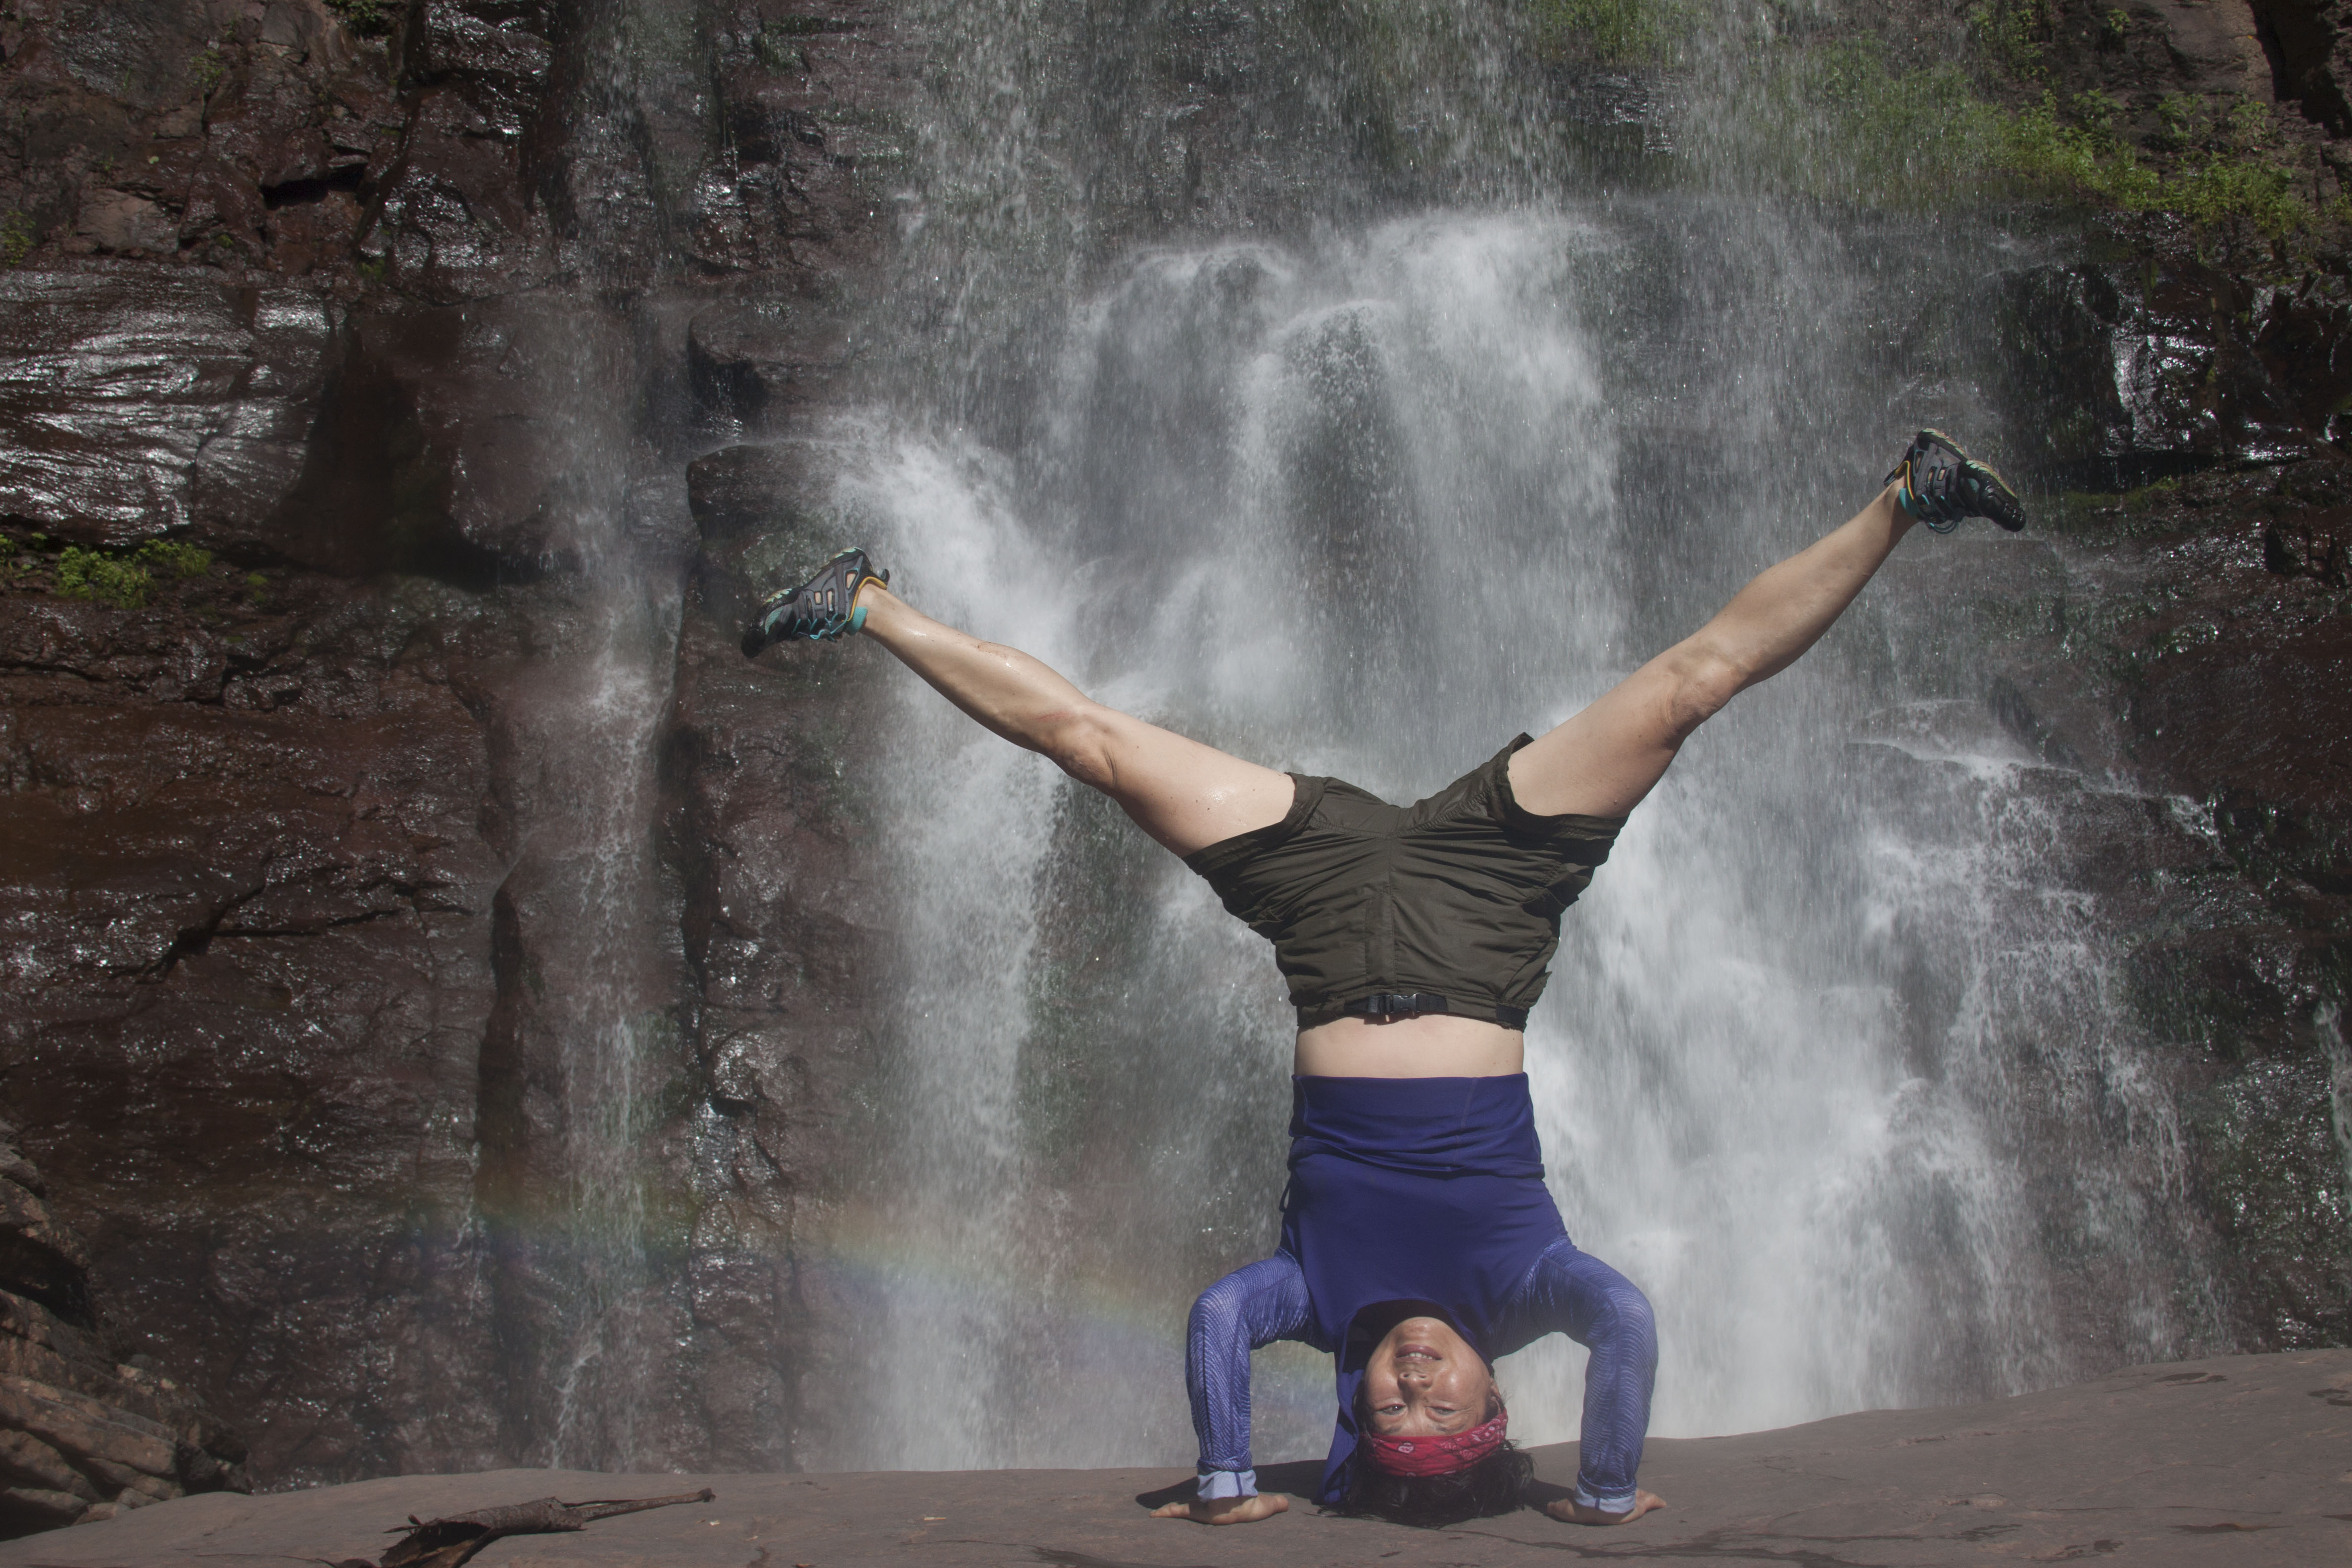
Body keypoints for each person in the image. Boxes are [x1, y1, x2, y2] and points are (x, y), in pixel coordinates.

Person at [741, 432, 2026, 1527]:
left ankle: (867, 604)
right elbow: (1628, 1325)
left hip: (1322, 905)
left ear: (1352, 1402)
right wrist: (1604, 1488)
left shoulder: (1313, 1302)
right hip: (1493, 894)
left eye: (1391, 1413)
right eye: (1443, 1410)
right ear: (1494, 1394)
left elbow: (1217, 1320)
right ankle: (1906, 497)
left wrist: (1229, 1478)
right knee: (1694, 683)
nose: (1415, 1386)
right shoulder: (1526, 1292)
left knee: (1095, 743)